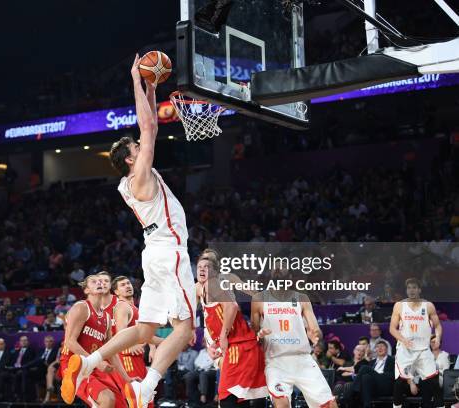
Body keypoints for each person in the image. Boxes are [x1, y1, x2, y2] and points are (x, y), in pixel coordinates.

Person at [62, 55, 196, 408]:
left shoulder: (128, 182)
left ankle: (89, 361)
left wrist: (153, 88)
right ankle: (146, 386)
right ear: (129, 159)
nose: (142, 145)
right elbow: (149, 128)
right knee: (184, 329)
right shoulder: (139, 178)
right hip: (169, 249)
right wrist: (137, 81)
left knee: (144, 330)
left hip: (152, 252)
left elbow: (148, 126)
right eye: (136, 148)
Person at [251, 273, 337, 408]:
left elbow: (315, 329)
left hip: (302, 359)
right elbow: (253, 334)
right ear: (271, 276)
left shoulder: (301, 298)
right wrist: (259, 335)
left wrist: (316, 335)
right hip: (276, 361)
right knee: (282, 404)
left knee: (330, 404)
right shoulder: (259, 299)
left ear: (290, 277)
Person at [196, 250, 267, 407]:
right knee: (235, 392)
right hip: (222, 334)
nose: (203, 267)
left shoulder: (226, 278)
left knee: (229, 392)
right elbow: (207, 318)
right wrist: (209, 344)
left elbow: (249, 292)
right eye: (200, 264)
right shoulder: (199, 288)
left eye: (208, 262)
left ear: (216, 266)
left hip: (234, 333)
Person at [59, 275, 134, 407]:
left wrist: (127, 378)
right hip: (75, 366)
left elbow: (111, 351)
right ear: (86, 290)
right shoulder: (81, 307)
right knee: (107, 398)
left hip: (93, 365)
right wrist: (97, 363)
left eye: (102, 281)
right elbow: (70, 342)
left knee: (121, 404)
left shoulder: (106, 317)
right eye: (94, 282)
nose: (99, 282)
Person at [110, 276, 164, 408]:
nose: (127, 286)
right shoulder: (122, 306)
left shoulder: (134, 308)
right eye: (122, 285)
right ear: (116, 292)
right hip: (126, 358)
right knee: (137, 398)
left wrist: (153, 346)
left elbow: (145, 333)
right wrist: (132, 345)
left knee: (145, 398)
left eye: (128, 283)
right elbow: (120, 334)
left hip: (136, 359)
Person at [390, 278, 443, 408]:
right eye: (409, 288)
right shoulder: (399, 306)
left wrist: (438, 337)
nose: (411, 290)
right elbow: (392, 328)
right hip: (405, 350)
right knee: (400, 383)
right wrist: (403, 339)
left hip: (424, 350)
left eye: (414, 287)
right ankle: (396, 406)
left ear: (419, 289)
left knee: (434, 382)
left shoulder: (428, 306)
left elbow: (437, 326)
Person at [347, 340, 395, 407]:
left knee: (364, 368)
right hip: (374, 386)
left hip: (385, 385)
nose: (380, 348)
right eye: (377, 347)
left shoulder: (392, 360)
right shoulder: (372, 362)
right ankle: (367, 405)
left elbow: (393, 375)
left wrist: (377, 375)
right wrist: (366, 357)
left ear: (386, 349)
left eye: (382, 346)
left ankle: (353, 392)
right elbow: (356, 368)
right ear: (375, 350)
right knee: (365, 377)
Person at [3, 335, 37, 402]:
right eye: (22, 341)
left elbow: (31, 362)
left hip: (24, 369)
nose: (23, 342)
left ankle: (19, 395)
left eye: (25, 340)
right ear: (19, 342)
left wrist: (22, 367)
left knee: (19, 374)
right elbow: (12, 361)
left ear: (28, 342)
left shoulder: (31, 351)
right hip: (14, 369)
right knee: (2, 374)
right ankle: (2, 395)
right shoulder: (16, 351)